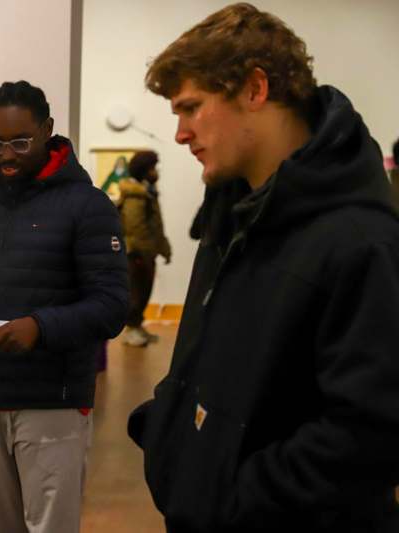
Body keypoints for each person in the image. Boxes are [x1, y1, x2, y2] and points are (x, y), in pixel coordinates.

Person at [127, 4, 399, 532]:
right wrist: (168, 438)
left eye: (191, 108)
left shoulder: (363, 241)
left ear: (254, 89)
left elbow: (371, 434)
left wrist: (232, 499)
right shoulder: (230, 216)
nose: (180, 133)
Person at [0, 80, 128, 533]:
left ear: (47, 130)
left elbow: (112, 306)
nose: (7, 156)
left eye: (20, 142)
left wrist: (40, 326)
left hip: (51, 405)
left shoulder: (88, 206)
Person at [119, 150, 171, 346]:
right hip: (137, 253)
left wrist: (164, 249)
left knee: (144, 290)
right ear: (144, 169)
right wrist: (142, 252)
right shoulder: (135, 195)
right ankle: (131, 330)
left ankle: (137, 325)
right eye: (152, 168)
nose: (155, 172)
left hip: (147, 251)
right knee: (137, 291)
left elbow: (156, 224)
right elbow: (135, 227)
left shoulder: (147, 191)